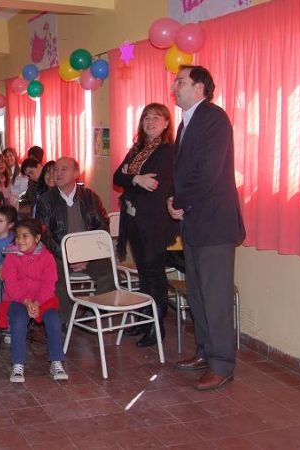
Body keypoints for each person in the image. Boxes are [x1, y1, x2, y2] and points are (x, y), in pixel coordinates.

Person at [168, 65, 245, 391]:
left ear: (200, 87)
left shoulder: (213, 118)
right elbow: (183, 171)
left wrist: (181, 200)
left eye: (180, 81)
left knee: (215, 297)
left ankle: (222, 364)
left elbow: (208, 172)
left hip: (214, 223)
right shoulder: (187, 122)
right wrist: (174, 199)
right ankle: (204, 352)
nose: (174, 86)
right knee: (197, 294)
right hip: (194, 222)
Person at [113, 103, 177, 348]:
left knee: (154, 276)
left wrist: (134, 179)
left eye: (156, 117)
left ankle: (156, 327)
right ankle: (143, 320)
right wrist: (136, 178)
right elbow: (117, 177)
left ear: (166, 123)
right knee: (143, 275)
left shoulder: (166, 151)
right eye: (146, 117)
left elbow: (155, 185)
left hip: (154, 222)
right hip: (134, 220)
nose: (150, 122)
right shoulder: (137, 150)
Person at [35, 157, 115, 323]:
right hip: (59, 254)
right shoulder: (46, 200)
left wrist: (87, 255)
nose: (58, 173)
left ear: (76, 174)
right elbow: (44, 234)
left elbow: (103, 227)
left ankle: (95, 314)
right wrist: (68, 256)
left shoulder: (90, 197)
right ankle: (66, 319)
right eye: (55, 169)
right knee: (53, 274)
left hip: (89, 253)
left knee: (108, 272)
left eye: (64, 169)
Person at [0, 218, 67, 383]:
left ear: (37, 238)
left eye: (25, 236)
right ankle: (18, 364)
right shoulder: (12, 256)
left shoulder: (47, 257)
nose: (20, 240)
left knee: (53, 320)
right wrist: (26, 301)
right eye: (17, 237)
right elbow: (11, 284)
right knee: (19, 319)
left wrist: (37, 302)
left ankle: (56, 361)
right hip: (17, 300)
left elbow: (49, 284)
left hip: (42, 300)